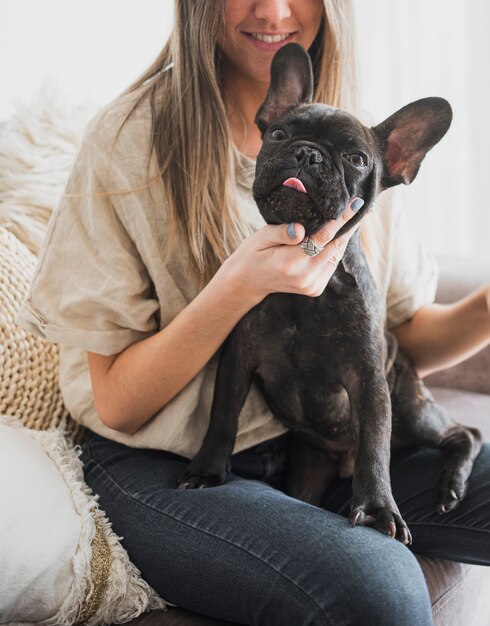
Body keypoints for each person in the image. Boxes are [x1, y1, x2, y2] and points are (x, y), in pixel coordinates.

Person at [18, 1, 490, 624]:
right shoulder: (128, 139)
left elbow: (393, 342)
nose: (272, 8)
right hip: (169, 462)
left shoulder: (359, 144)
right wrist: (235, 287)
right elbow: (117, 404)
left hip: (313, 439)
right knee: (380, 590)